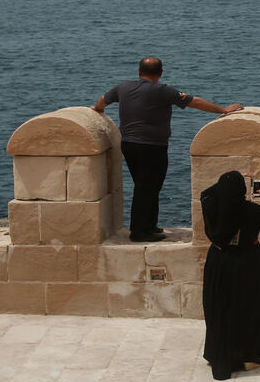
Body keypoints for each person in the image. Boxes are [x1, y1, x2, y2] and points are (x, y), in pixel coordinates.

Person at [93, 56, 243, 242]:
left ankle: (149, 225)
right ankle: (139, 232)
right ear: (161, 73)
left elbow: (102, 100)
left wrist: (96, 108)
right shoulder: (163, 90)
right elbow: (194, 101)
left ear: (139, 72)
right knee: (146, 187)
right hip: (152, 147)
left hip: (129, 145)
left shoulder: (123, 87)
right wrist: (223, 110)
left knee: (147, 186)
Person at [200, 171, 260, 381]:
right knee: (248, 308)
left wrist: (228, 179)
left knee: (219, 309)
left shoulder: (211, 207)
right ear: (242, 191)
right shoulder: (251, 210)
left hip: (218, 262)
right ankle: (247, 356)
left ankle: (218, 354)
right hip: (247, 263)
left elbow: (205, 193)